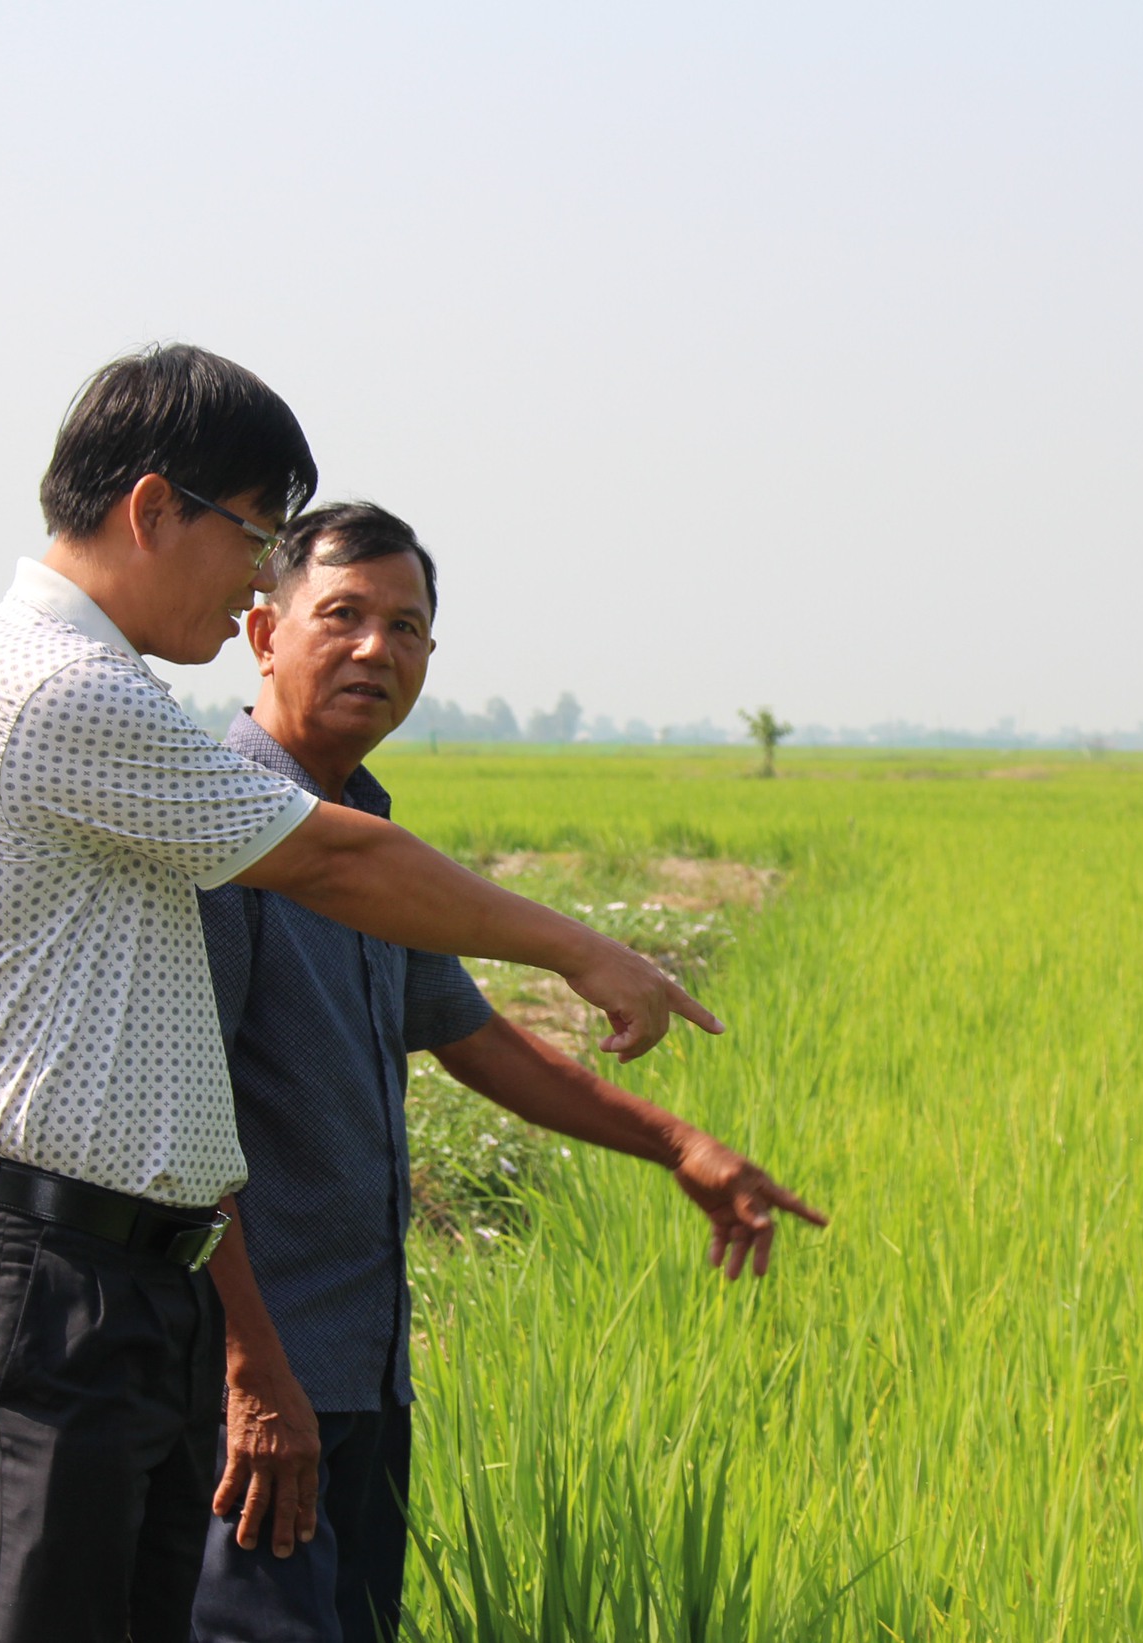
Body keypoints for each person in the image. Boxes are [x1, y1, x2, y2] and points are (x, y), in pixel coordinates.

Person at [0, 345, 740, 1643]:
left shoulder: (115, 694)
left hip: (128, 1281)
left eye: (404, 624)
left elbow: (441, 1009)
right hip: (53, 1277)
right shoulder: (58, 688)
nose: (258, 574)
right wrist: (584, 947)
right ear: (153, 507)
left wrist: (672, 1133)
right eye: (257, 539)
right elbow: (334, 859)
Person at [184, 501, 823, 1642]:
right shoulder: (221, 838)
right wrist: (247, 1370)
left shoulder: (367, 832)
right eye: (342, 615)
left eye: (407, 627)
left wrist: (677, 1143)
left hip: (361, 1373)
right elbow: (181, 1130)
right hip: (263, 1389)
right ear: (261, 634)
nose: (377, 649)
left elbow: (469, 1036)